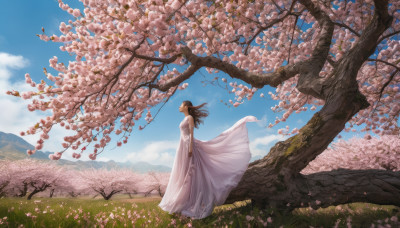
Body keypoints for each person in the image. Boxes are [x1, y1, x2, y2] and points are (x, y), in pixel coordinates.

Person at [158, 100, 259, 219]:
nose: (179, 106)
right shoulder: (184, 119)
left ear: (186, 106)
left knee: (190, 173)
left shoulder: (189, 118)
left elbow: (191, 134)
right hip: (182, 147)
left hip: (187, 146)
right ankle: (181, 201)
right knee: (183, 172)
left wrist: (190, 148)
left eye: (181, 105)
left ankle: (192, 200)